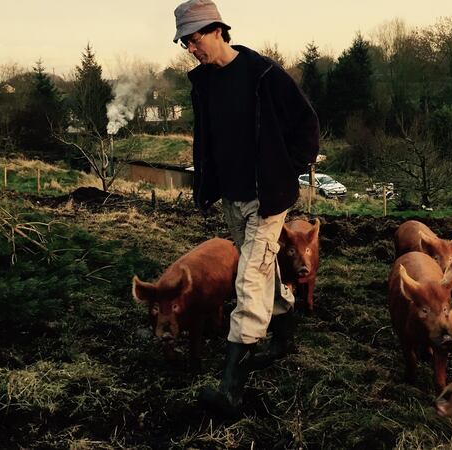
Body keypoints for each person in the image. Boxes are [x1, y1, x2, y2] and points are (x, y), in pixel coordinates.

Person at [171, 0, 320, 416]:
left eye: (194, 39)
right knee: (263, 266)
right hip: (233, 198)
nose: (190, 49)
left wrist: (286, 168)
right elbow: (210, 137)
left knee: (249, 278)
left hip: (267, 198)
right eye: (184, 43)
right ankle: (284, 333)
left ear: (217, 30)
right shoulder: (203, 82)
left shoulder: (262, 73)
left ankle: (231, 387)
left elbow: (306, 122)